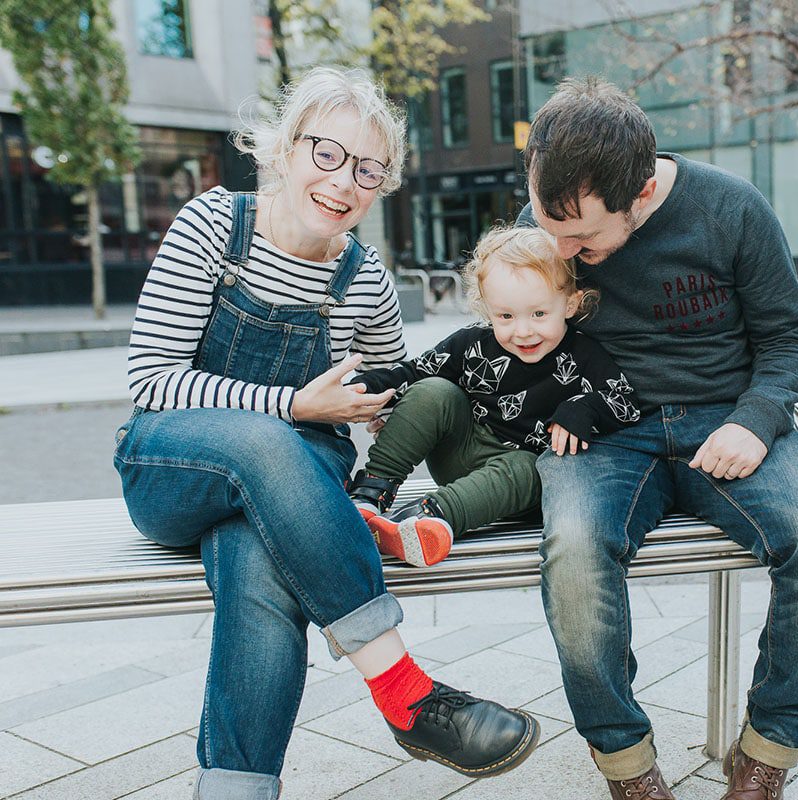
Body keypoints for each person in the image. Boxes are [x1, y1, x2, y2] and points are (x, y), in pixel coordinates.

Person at [113, 67, 538, 800]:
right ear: (284, 150)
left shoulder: (365, 281)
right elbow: (151, 376)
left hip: (287, 494)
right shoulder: (215, 228)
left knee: (259, 571)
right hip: (173, 468)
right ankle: (406, 692)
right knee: (267, 439)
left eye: (368, 170)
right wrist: (294, 407)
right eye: (327, 154)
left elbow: (390, 393)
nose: (344, 182)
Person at [518, 77, 798, 800]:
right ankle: (628, 769)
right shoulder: (547, 224)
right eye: (551, 225)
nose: (561, 246)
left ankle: (765, 755)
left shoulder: (732, 209)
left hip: (725, 419)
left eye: (581, 237)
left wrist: (754, 420)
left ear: (640, 195)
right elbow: (518, 338)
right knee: (574, 553)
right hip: (603, 432)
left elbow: (790, 338)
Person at [345, 224, 642, 567]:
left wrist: (585, 408)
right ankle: (371, 494)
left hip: (525, 481)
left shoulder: (584, 354)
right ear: (487, 309)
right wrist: (370, 387)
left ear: (571, 304)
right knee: (434, 391)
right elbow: (414, 373)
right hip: (463, 454)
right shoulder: (471, 343)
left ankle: (426, 519)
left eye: (539, 314)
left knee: (529, 466)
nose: (523, 330)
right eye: (505, 316)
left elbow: (626, 403)